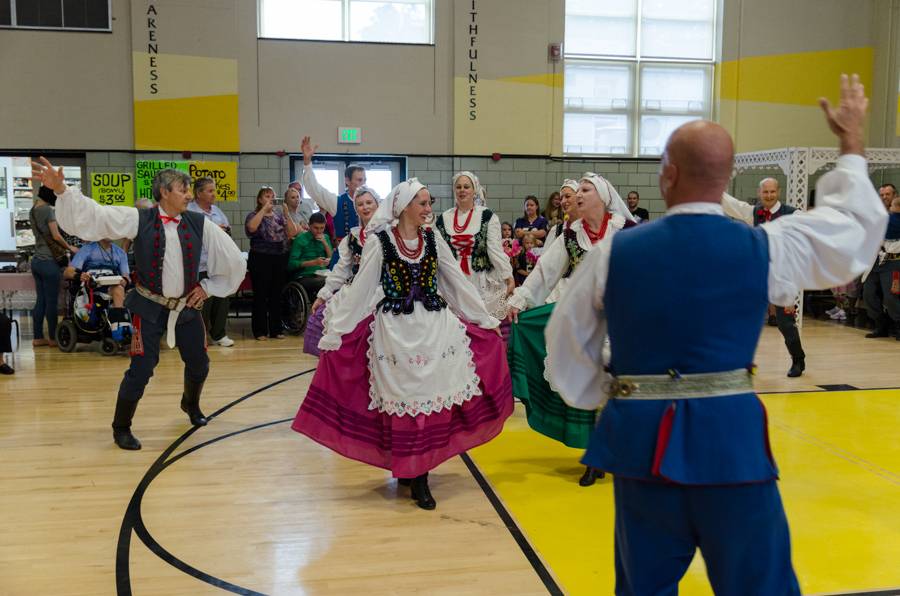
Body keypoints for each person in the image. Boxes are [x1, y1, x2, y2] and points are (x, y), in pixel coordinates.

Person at [546, 75, 886, 594]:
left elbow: (566, 340)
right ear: (726, 180)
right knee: (759, 585)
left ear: (668, 175)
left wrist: (614, 394)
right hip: (733, 445)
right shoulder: (766, 245)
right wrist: (852, 144)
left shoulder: (614, 252)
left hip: (638, 445)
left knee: (644, 588)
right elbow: (854, 232)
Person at [291, 178, 513, 511]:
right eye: (422, 203)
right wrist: (336, 331)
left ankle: (420, 474)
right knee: (404, 398)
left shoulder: (433, 238)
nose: (428, 209)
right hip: (394, 332)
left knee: (428, 398)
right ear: (404, 207)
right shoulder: (380, 242)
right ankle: (410, 467)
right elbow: (362, 289)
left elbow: (456, 283)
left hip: (433, 328)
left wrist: (484, 320)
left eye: (429, 202)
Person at [33, 160, 246, 451]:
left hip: (185, 308)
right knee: (142, 368)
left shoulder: (200, 223)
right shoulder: (139, 219)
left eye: (188, 189)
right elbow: (97, 216)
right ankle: (121, 427)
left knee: (200, 363)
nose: (188, 195)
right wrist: (62, 190)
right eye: (183, 189)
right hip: (147, 308)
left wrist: (207, 288)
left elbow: (232, 259)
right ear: (164, 192)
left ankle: (190, 403)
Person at [507, 173, 634, 486]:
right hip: (587, 324)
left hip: (623, 322)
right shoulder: (571, 235)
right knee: (590, 386)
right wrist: (521, 300)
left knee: (619, 388)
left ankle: (620, 452)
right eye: (578, 191)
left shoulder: (626, 231)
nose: (578, 195)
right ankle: (595, 456)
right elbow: (545, 272)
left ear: (603, 196)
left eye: (586, 190)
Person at [721, 178, 807, 377]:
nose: (769, 195)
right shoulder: (754, 213)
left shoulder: (792, 214)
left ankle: (798, 360)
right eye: (765, 192)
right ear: (759, 193)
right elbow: (732, 204)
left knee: (785, 323)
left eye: (772, 191)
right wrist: (711, 184)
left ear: (778, 192)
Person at [303, 185, 380, 357]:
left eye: (369, 203)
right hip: (355, 291)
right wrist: (323, 295)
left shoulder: (389, 234)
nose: (365, 207)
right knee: (325, 320)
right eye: (360, 204)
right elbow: (340, 270)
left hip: (381, 291)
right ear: (356, 209)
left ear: (378, 205)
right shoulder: (351, 238)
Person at [434, 171, 515, 318]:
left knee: (481, 320)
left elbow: (495, 250)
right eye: (458, 187)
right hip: (452, 279)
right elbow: (438, 253)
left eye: (466, 187)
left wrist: (508, 276)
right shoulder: (444, 218)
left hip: (479, 279)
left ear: (474, 190)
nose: (462, 190)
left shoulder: (487, 216)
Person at [245, 186, 299, 341]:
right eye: (267, 196)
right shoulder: (253, 215)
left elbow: (292, 232)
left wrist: (287, 214)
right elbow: (252, 227)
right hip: (260, 258)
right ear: (260, 199)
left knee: (276, 294)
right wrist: (264, 210)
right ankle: (260, 330)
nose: (271, 199)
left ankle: (276, 329)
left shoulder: (279, 216)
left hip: (279, 257)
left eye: (272, 196)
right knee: (261, 294)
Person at [187, 177, 235, 347]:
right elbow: (187, 235)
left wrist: (224, 231)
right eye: (210, 191)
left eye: (214, 190)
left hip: (218, 264)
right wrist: (213, 231)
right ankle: (199, 335)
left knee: (221, 298)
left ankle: (219, 334)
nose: (214, 194)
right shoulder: (189, 211)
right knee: (202, 301)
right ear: (199, 193)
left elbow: (227, 232)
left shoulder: (217, 211)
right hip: (198, 264)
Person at [30, 185, 79, 347]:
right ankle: (53, 338)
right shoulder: (48, 211)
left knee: (41, 300)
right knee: (51, 302)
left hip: (36, 260)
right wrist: (69, 247)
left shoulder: (33, 210)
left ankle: (38, 337)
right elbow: (56, 236)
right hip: (49, 261)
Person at [300, 136, 364, 248]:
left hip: (367, 253)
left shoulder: (372, 202)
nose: (363, 183)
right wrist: (307, 162)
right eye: (359, 180)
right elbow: (314, 189)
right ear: (347, 181)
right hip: (344, 254)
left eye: (364, 180)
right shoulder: (337, 202)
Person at [64, 238, 131, 340]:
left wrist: (124, 280)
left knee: (119, 289)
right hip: (91, 288)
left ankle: (120, 330)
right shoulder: (87, 249)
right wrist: (79, 276)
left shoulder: (120, 252)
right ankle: (119, 331)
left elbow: (126, 276)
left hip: (111, 287)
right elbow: (67, 272)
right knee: (118, 290)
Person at [862, 194, 900, 339]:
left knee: (891, 296)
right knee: (868, 293)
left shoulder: (891, 220)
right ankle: (880, 324)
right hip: (876, 260)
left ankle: (898, 324)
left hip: (893, 262)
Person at [287, 212, 333, 298]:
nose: (319, 231)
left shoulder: (325, 237)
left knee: (340, 281)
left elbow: (331, 258)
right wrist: (313, 262)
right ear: (309, 225)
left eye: (322, 228)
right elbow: (291, 264)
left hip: (323, 273)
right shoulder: (300, 239)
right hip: (305, 275)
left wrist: (325, 243)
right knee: (327, 283)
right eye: (316, 228)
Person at [544, 180, 580, 248]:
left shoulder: (588, 228)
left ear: (578, 198)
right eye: (561, 198)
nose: (563, 201)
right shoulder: (556, 230)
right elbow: (546, 254)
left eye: (567, 196)